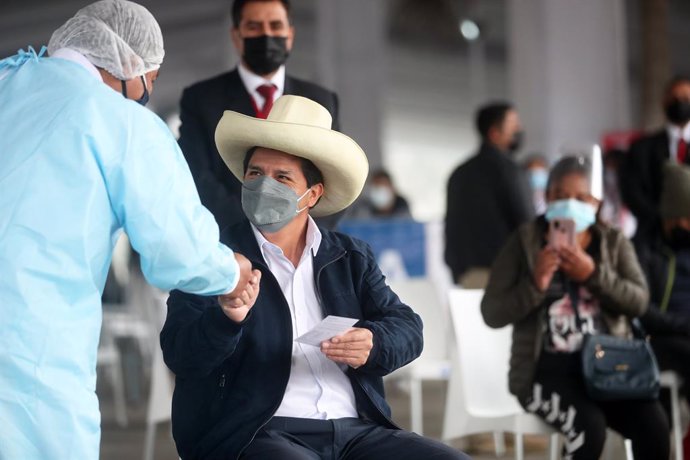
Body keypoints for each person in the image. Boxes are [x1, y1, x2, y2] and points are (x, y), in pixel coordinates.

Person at [0, 1, 259, 459]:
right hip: (30, 348)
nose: (145, 93)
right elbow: (176, 246)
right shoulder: (121, 122)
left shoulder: (7, 81)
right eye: (151, 80)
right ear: (128, 65)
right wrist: (231, 270)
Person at [160, 95, 470, 460]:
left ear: (313, 194)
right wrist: (225, 319)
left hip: (359, 432)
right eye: (255, 173)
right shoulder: (214, 256)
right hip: (255, 431)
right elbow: (181, 354)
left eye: (282, 177)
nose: (263, 185)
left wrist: (373, 341)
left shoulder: (350, 256)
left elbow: (407, 327)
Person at [481, 156, 670, 460]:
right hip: (544, 372)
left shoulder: (613, 241)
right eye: (561, 196)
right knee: (589, 428)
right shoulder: (524, 242)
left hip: (609, 367)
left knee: (655, 427)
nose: (570, 204)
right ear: (547, 197)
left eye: (581, 198)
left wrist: (592, 275)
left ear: (595, 203)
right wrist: (536, 283)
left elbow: (638, 301)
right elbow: (492, 312)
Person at [178, 0, 341, 232]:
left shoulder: (321, 100)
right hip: (230, 243)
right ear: (236, 36)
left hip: (302, 247)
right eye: (254, 27)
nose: (266, 34)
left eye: (275, 26)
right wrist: (252, 235)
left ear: (290, 34)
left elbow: (333, 174)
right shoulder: (201, 99)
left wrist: (297, 234)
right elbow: (196, 175)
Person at [444, 101, 534, 288]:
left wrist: (456, 270)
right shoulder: (510, 171)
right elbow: (526, 225)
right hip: (506, 277)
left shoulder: (459, 173)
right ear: (495, 133)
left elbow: (450, 229)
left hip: (469, 276)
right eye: (513, 125)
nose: (519, 129)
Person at [638, 162, 690, 456]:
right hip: (657, 339)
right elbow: (643, 309)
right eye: (683, 218)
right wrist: (682, 325)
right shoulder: (644, 250)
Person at [621, 75, 690, 249]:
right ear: (664, 101)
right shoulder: (641, 148)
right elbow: (632, 192)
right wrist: (664, 221)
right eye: (674, 98)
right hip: (651, 240)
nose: (680, 102)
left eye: (685, 98)